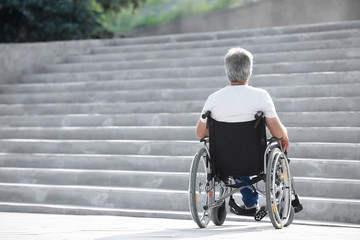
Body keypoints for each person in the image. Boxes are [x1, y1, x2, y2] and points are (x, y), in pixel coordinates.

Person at [195, 47, 290, 214]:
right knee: (274, 144)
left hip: (222, 162)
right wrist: (284, 136)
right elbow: (277, 133)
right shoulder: (261, 96)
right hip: (255, 161)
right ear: (250, 71)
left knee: (235, 153)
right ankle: (264, 200)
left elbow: (200, 134)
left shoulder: (213, 99)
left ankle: (250, 200)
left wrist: (227, 132)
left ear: (227, 70)